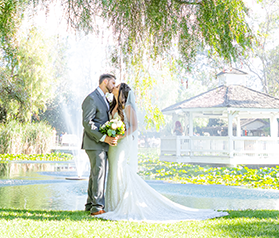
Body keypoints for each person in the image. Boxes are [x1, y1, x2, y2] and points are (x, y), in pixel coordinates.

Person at [97, 83, 228, 222]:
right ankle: (113, 205)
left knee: (119, 168)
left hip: (122, 143)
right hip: (113, 144)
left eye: (117, 86)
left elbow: (134, 126)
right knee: (113, 169)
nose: (114, 87)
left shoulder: (127, 107)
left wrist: (120, 135)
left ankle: (122, 204)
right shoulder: (113, 105)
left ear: (122, 91)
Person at [81, 73, 119, 216]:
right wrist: (104, 137)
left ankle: (90, 204)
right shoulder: (92, 98)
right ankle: (97, 207)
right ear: (105, 81)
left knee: (95, 174)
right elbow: (87, 123)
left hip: (100, 143)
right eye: (112, 83)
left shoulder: (103, 98)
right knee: (99, 174)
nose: (114, 86)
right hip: (94, 143)